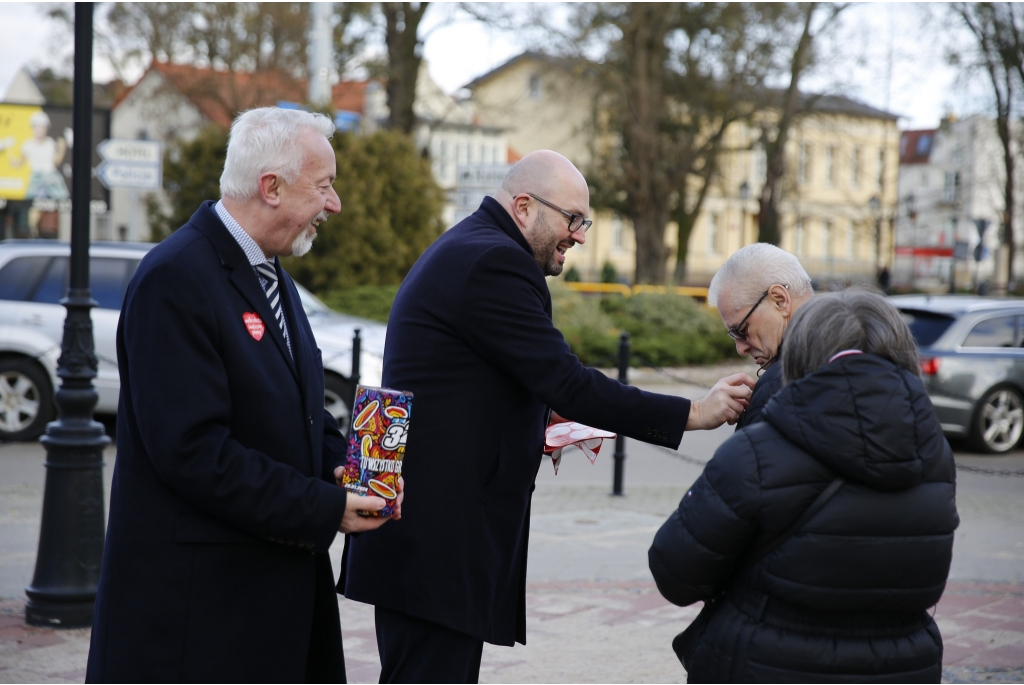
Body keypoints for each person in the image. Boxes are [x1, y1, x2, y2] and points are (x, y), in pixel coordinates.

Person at [343, 150, 756, 683]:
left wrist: (535, 418)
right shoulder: (496, 262)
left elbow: (485, 379)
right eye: (573, 220)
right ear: (522, 207)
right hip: (438, 540)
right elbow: (568, 380)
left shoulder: (471, 247)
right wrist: (694, 412)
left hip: (426, 534)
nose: (580, 236)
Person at [86, 107, 401, 683]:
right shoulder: (176, 277)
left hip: (266, 602)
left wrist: (351, 469)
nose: (334, 205)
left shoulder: (271, 273)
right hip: (200, 618)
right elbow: (193, 453)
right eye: (325, 186)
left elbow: (300, 415)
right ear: (271, 187)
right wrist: (326, 508)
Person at [649, 289, 959, 683]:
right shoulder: (934, 456)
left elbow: (675, 573)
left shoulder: (758, 452)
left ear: (799, 352)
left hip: (766, 665)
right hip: (901, 666)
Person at [707, 243, 814, 429]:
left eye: (742, 330)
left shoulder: (777, 388)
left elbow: (745, 458)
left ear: (780, 300)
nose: (741, 349)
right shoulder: (867, 352)